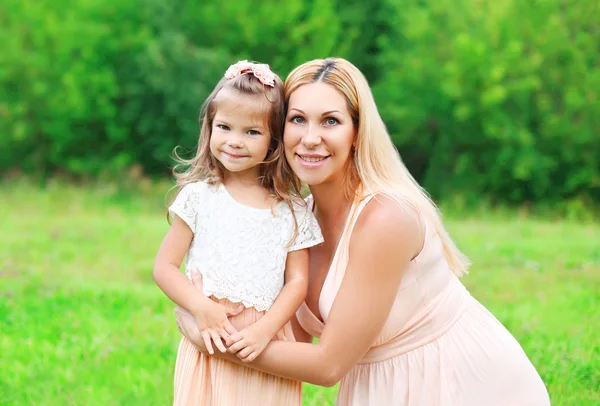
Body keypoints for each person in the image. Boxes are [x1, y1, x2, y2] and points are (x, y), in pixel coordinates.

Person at [174, 57, 551, 406]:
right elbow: (290, 343)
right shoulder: (295, 220)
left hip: (456, 381)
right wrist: (203, 308)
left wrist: (207, 339)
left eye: (331, 121)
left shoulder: (386, 218)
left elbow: (327, 366)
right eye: (297, 119)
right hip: (375, 386)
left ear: (357, 132)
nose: (310, 138)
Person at [153, 60, 324, 406]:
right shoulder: (200, 197)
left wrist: (265, 329)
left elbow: (296, 283)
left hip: (265, 338)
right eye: (225, 127)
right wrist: (201, 308)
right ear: (210, 127)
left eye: (251, 132)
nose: (235, 141)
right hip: (212, 332)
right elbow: (164, 267)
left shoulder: (291, 210)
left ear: (273, 142)